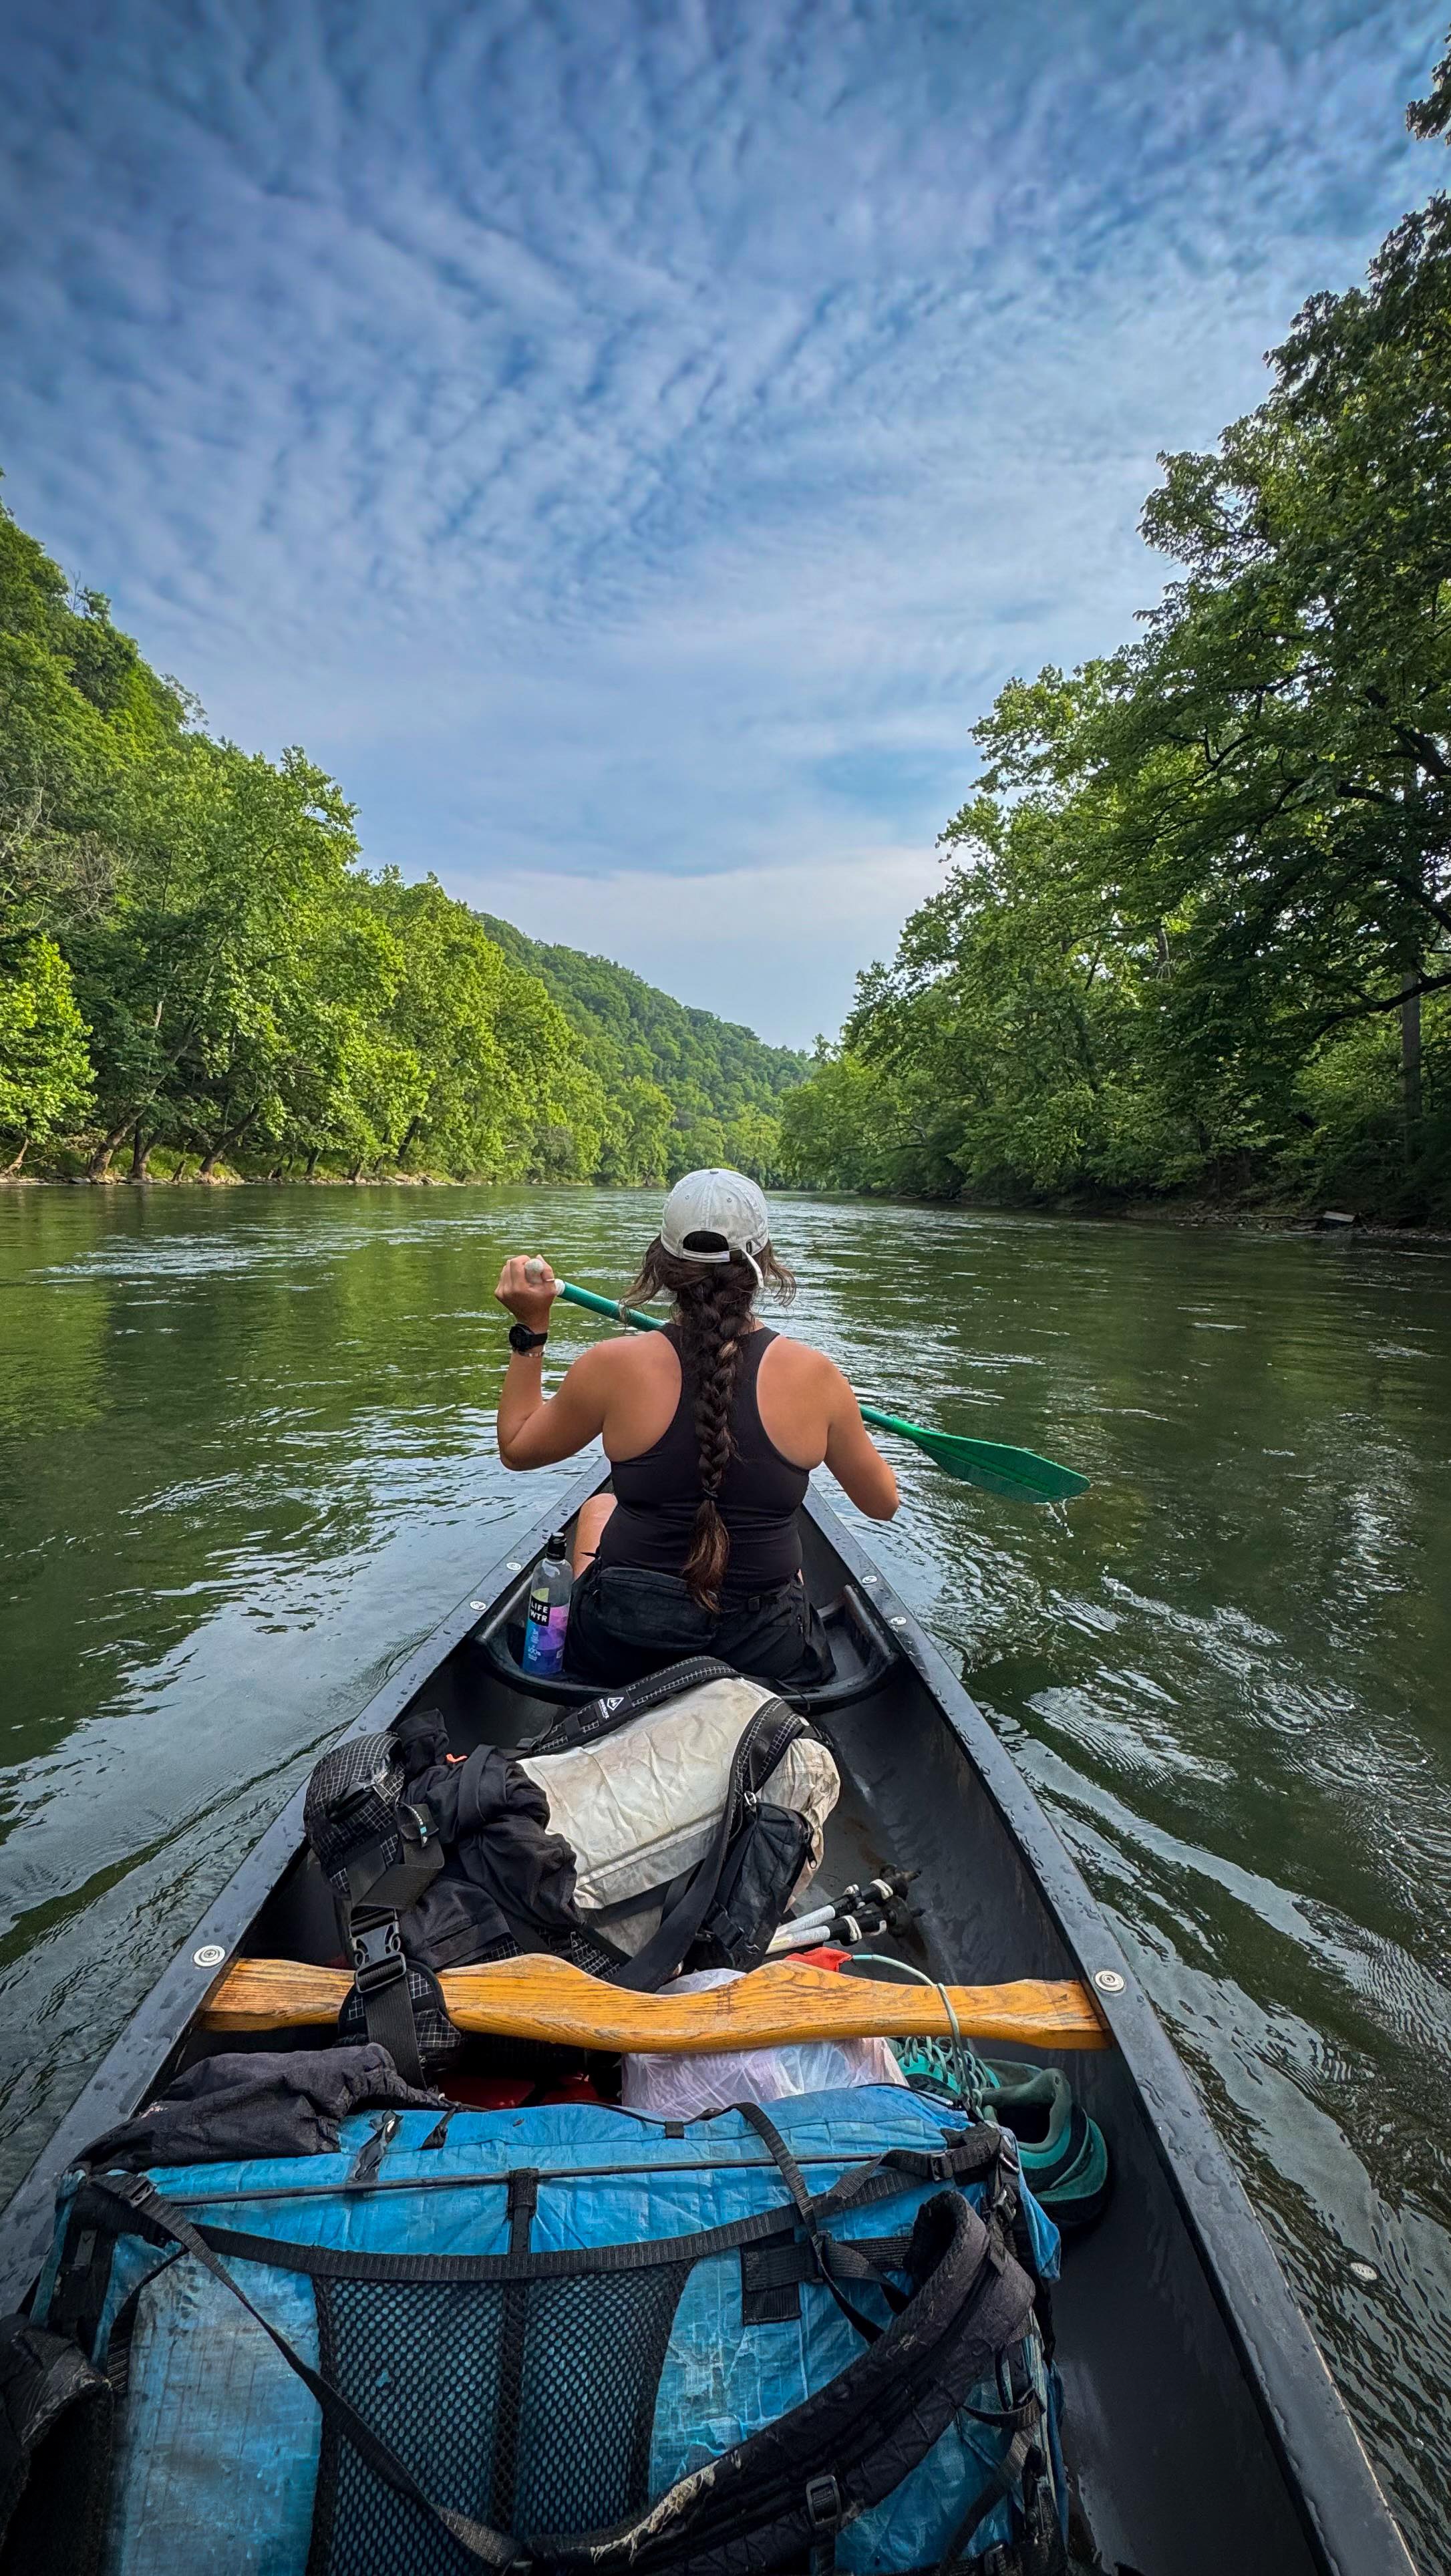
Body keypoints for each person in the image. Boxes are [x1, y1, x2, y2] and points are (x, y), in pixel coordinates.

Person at [493, 1169, 899, 1687]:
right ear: (763, 1263)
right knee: (790, 1558)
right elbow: (882, 1504)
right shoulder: (816, 1376)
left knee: (599, 1506)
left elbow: (518, 1447)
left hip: (628, 1642)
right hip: (764, 1652)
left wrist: (531, 1331)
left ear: (661, 1264)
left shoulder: (611, 1365)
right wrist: (840, 1419)